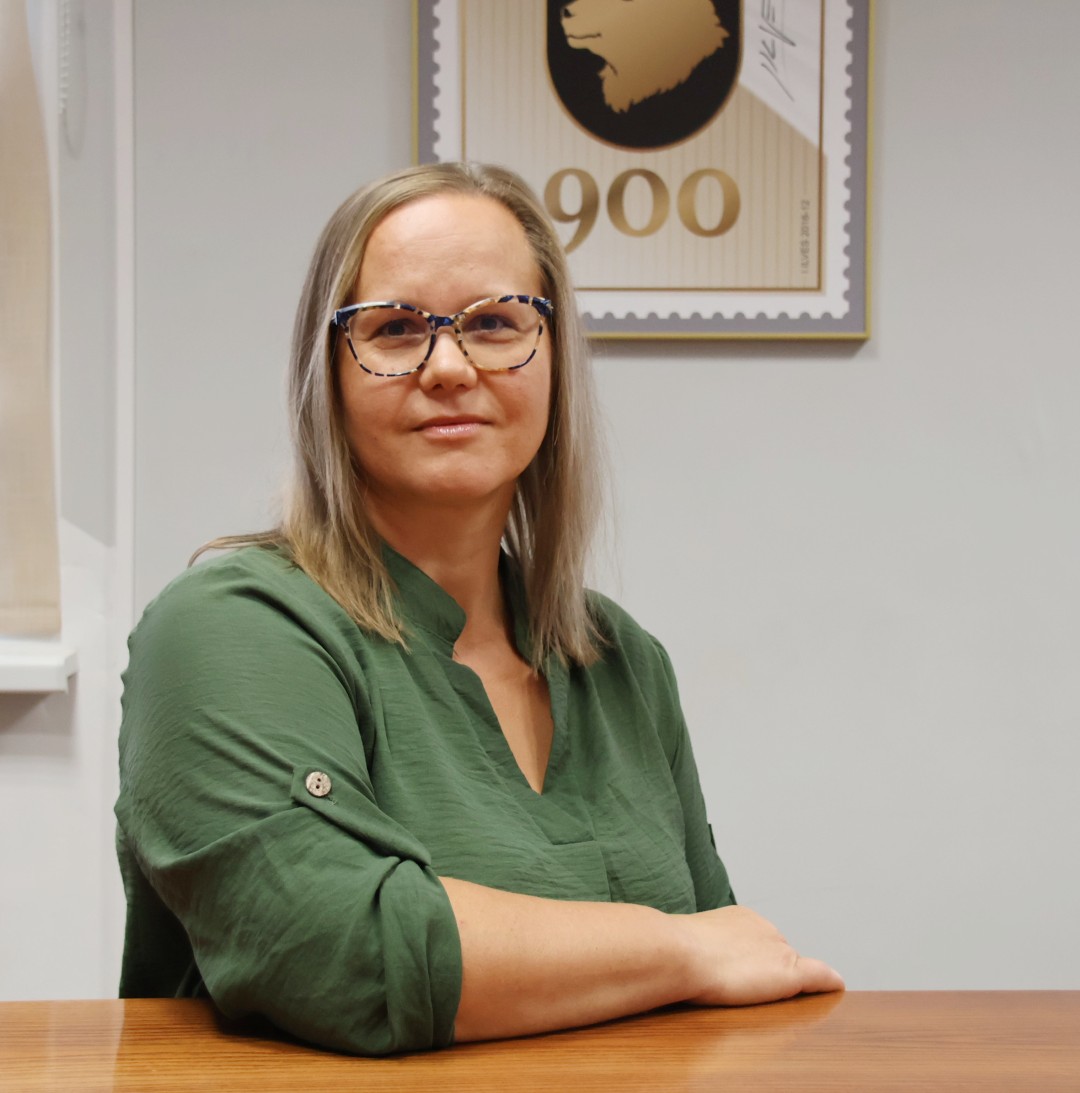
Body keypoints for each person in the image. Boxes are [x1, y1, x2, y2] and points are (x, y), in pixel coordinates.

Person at [115, 161, 842, 1056]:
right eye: (393, 328)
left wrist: (701, 956)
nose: (450, 367)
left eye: (496, 323)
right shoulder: (230, 628)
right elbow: (336, 950)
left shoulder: (623, 661)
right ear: (327, 373)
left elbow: (735, 989)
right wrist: (680, 948)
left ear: (555, 361)